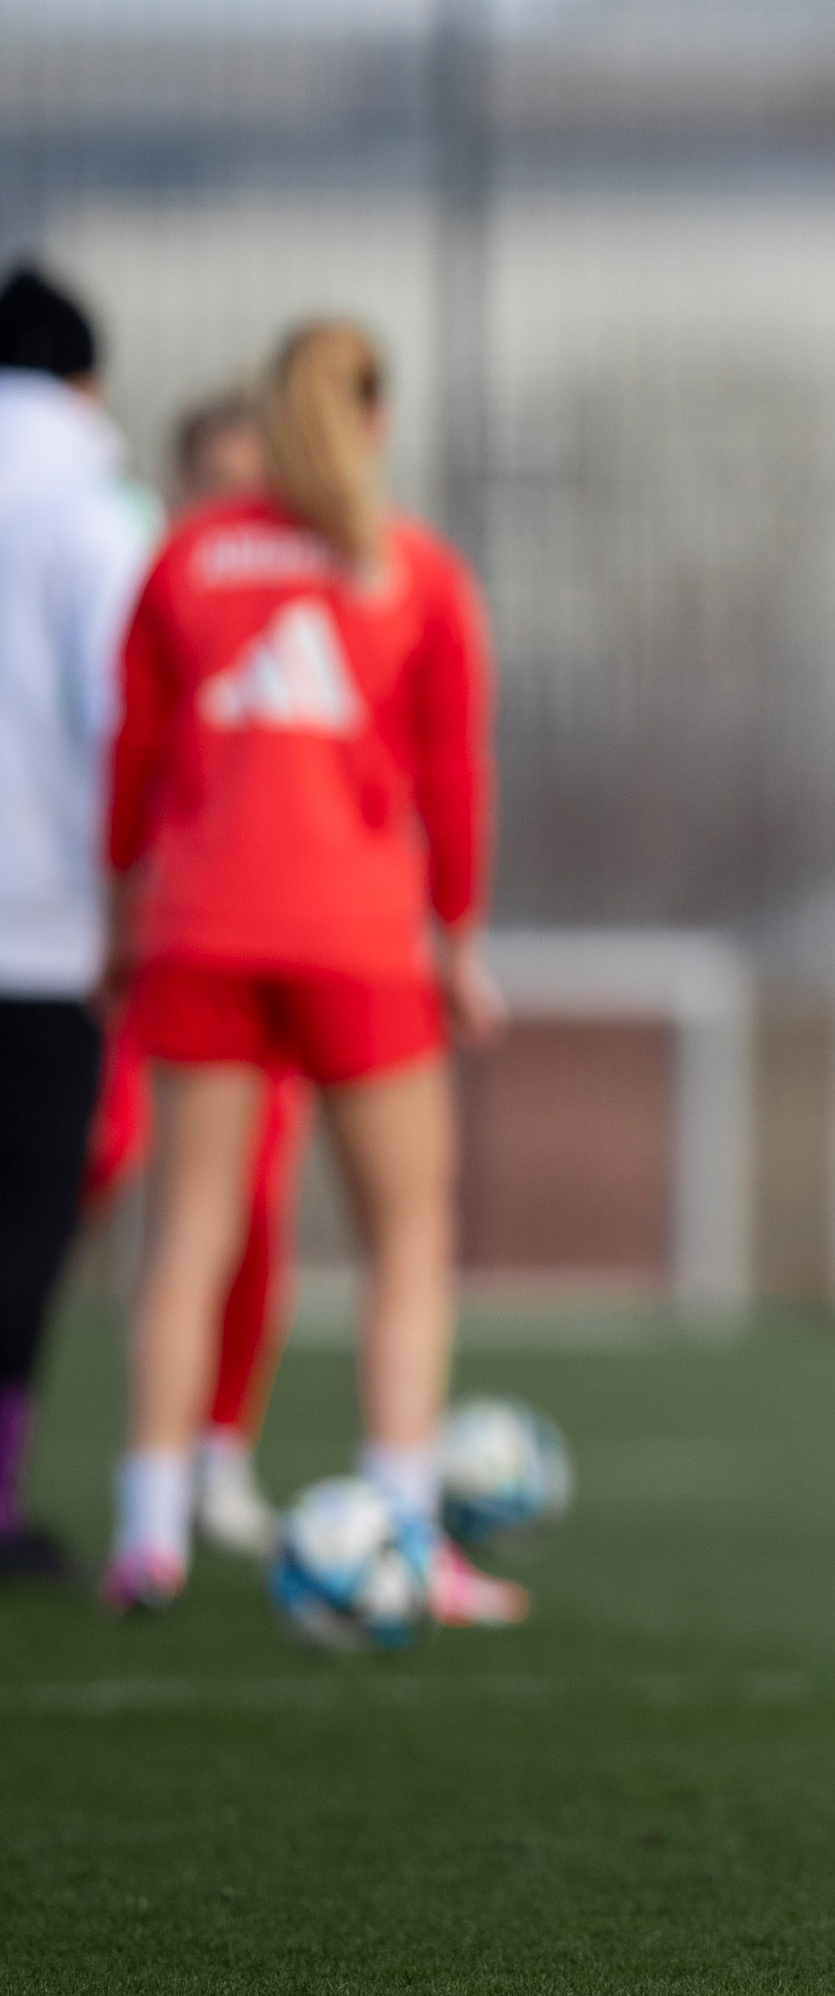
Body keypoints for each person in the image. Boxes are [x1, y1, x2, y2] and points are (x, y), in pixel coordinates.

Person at [96, 317, 524, 1627]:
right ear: (375, 420)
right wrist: (457, 937)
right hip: (355, 939)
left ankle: (149, 1536)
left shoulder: (185, 558)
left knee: (187, 1239)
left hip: (200, 931)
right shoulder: (411, 570)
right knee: (406, 1241)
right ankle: (403, 1533)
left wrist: (125, 905)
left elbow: (136, 759)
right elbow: (453, 780)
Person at [82, 382, 311, 1562]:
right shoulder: (154, 597)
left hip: (270, 955)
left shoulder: (324, 603)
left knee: (251, 1208)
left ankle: (217, 1452)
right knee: (100, 1172)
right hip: (156, 944)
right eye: (217, 489)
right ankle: (137, 1479)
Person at [0, 261, 152, 1586]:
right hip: (39, 925)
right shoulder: (90, 510)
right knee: (24, 1218)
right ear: (87, 380)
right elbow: (130, 719)